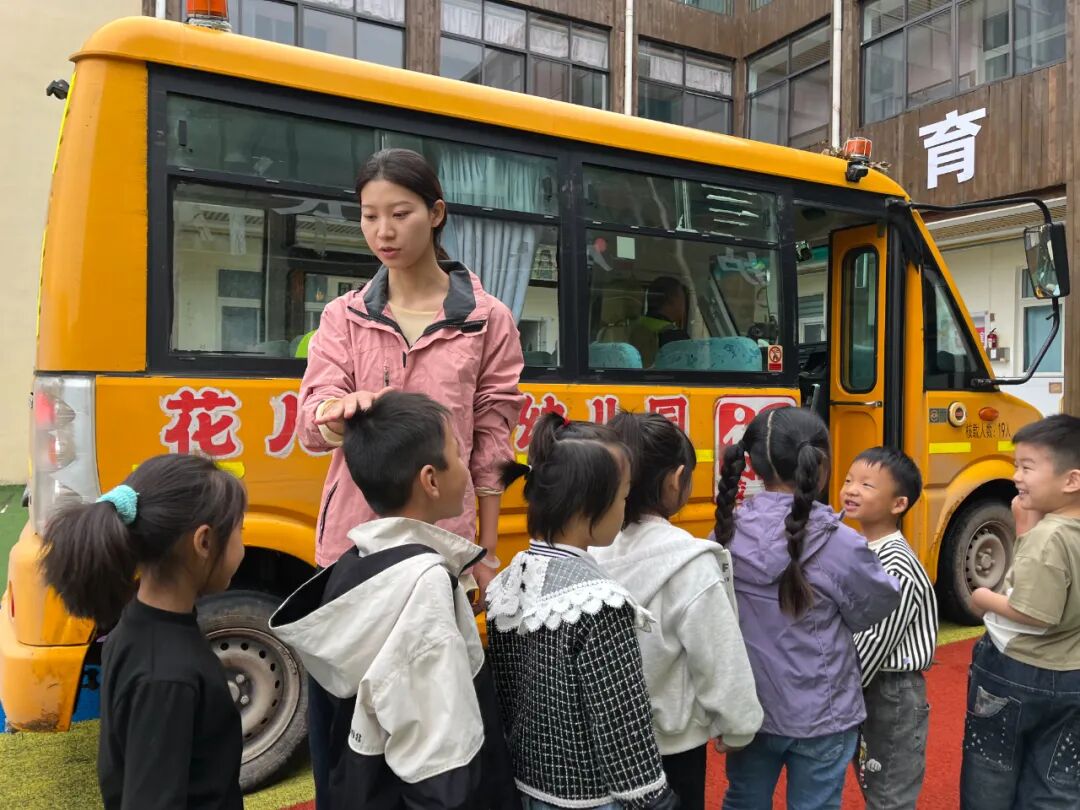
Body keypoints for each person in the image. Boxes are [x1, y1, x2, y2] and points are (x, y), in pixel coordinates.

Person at [295, 147, 524, 804]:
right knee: (345, 729)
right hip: (352, 552)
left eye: (399, 213)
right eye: (369, 217)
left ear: (437, 214)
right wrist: (337, 411)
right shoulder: (342, 317)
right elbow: (311, 422)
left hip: (439, 552)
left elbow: (491, 443)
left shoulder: (487, 320)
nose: (383, 232)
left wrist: (483, 550)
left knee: (436, 722)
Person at [270, 392, 516, 809]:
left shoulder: (354, 562)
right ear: (430, 480)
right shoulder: (425, 584)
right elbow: (439, 759)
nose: (466, 468)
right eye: (458, 454)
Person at [485, 414, 678, 810]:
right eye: (624, 498)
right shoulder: (598, 602)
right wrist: (653, 797)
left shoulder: (507, 584)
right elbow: (621, 719)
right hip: (590, 798)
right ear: (592, 506)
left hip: (526, 785)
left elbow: (503, 696)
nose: (625, 510)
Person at [712, 407, 900, 810]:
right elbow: (878, 604)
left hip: (751, 706)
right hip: (822, 709)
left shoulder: (725, 532)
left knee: (743, 799)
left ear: (752, 466)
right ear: (821, 463)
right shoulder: (839, 542)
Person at [39, 454, 247, 810]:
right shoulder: (167, 676)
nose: (242, 545)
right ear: (204, 542)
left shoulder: (136, 624)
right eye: (240, 532)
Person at [591, 411, 762, 810]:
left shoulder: (587, 549)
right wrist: (738, 726)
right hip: (671, 750)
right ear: (675, 479)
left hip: (598, 745)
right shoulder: (689, 561)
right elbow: (720, 657)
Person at [962, 414, 1080, 810]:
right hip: (1072, 676)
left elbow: (1035, 611)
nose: (1016, 476)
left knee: (990, 774)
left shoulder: (1049, 536)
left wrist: (982, 596)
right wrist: (1024, 526)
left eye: (1027, 467)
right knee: (1056, 782)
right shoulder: (1061, 531)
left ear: (1071, 480)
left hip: (1018, 671)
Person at [841, 447, 938, 810]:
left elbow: (875, 640)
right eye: (849, 480)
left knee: (888, 789)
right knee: (871, 775)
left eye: (867, 485)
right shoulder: (860, 546)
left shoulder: (895, 564)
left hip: (889, 690)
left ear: (898, 504)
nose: (851, 489)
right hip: (867, 682)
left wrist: (835, 690)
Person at [631, 276, 690, 366]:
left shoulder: (633, 327)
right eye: (682, 298)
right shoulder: (676, 337)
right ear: (672, 300)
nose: (684, 305)